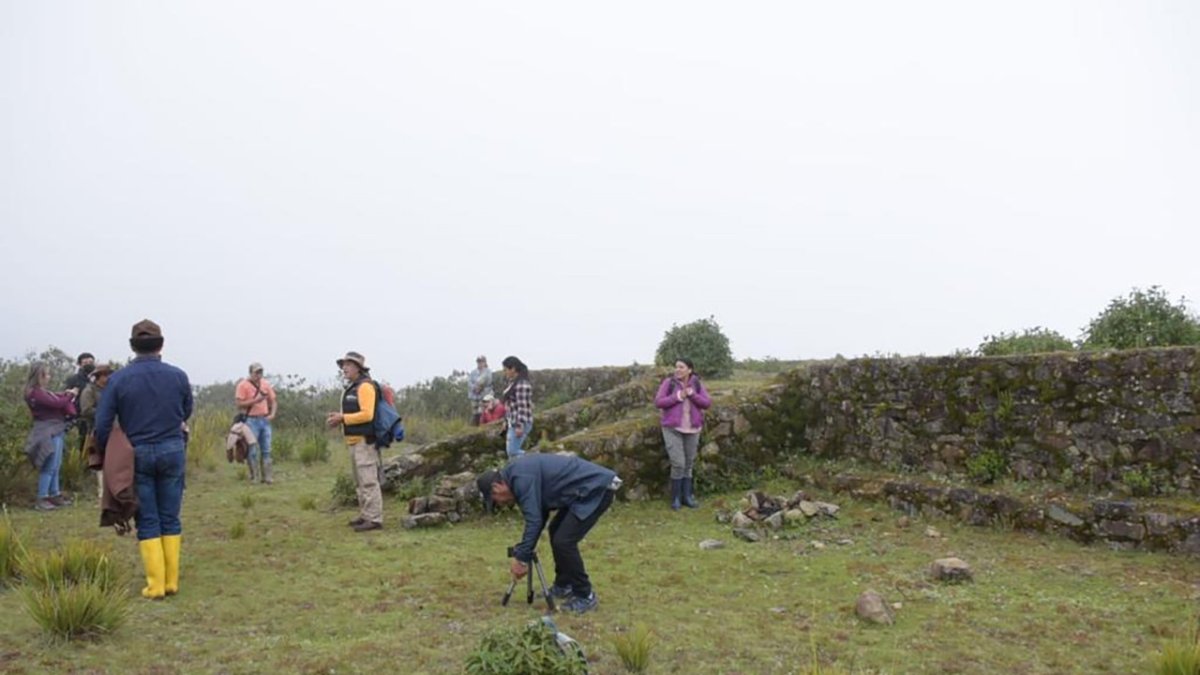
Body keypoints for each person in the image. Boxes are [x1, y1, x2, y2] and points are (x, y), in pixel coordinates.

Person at [94, 319, 193, 600]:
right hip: (172, 449)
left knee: (147, 517)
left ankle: (155, 585)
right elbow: (186, 410)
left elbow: (102, 423)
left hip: (136, 453)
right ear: (160, 345)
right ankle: (171, 582)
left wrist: (108, 451)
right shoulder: (178, 376)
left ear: (133, 347)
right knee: (170, 516)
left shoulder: (119, 379)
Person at [476, 454, 621, 614]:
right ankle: (563, 585)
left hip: (596, 488)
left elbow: (534, 520)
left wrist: (522, 559)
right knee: (555, 530)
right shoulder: (517, 476)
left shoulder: (521, 479)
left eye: (495, 499)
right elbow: (540, 515)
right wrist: (525, 551)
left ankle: (585, 596)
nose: (500, 503)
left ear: (497, 486)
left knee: (564, 541)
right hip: (580, 491)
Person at [325, 351, 383, 532]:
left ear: (358, 368)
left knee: (368, 480)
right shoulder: (352, 387)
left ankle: (374, 519)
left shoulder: (365, 387)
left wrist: (343, 418)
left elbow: (367, 414)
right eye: (343, 365)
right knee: (360, 481)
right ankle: (365, 515)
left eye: (348, 365)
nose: (344, 368)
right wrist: (340, 419)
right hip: (354, 440)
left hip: (365, 441)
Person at [654, 358, 712, 510]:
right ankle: (676, 498)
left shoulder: (697, 383)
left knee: (688, 464)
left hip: (693, 429)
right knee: (678, 463)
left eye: (681, 367)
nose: (677, 370)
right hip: (672, 428)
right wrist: (678, 396)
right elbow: (659, 402)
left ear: (689, 370)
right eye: (676, 367)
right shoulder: (669, 383)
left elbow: (707, 403)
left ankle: (687, 497)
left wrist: (692, 394)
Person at [23, 362, 78, 511]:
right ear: (40, 376)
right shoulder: (35, 393)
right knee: (49, 465)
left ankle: (54, 494)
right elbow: (57, 403)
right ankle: (42, 497)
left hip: (55, 429)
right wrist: (70, 395)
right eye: (46, 374)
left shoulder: (40, 392)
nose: (49, 376)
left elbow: (56, 398)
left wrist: (65, 394)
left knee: (55, 465)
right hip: (48, 430)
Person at [235, 362, 277, 484]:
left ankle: (267, 476)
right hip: (250, 420)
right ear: (251, 373)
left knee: (267, 449)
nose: (259, 375)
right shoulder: (243, 385)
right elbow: (239, 404)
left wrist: (272, 414)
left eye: (260, 372)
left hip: (264, 419)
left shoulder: (265, 384)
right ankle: (254, 476)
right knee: (252, 449)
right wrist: (255, 401)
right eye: (256, 372)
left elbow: (273, 400)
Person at [79, 364, 114, 500]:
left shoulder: (111, 389)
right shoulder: (89, 391)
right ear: (99, 377)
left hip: (113, 430)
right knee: (99, 461)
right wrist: (105, 412)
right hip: (96, 430)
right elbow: (86, 410)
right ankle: (102, 493)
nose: (108, 377)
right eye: (106, 375)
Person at [500, 356, 533, 458]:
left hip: (520, 422)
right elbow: (510, 405)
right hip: (513, 421)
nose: (505, 373)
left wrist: (520, 425)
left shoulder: (522, 384)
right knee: (511, 453)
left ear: (513, 369)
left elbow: (522, 406)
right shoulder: (513, 383)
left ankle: (533, 460)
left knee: (513, 452)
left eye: (506, 370)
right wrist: (506, 421)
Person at [65, 352, 95, 454]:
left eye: (91, 362)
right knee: (81, 444)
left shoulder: (98, 378)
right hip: (79, 417)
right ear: (79, 364)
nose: (88, 365)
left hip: (96, 416)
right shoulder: (73, 380)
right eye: (85, 363)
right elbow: (66, 398)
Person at [467, 356, 492, 426]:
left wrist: (480, 388)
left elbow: (489, 382)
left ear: (484, 362)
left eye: (481, 362)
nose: (480, 363)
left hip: (484, 394)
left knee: (482, 411)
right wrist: (474, 388)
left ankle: (482, 424)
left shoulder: (488, 371)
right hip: (474, 395)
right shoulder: (473, 372)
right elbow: (469, 382)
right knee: (474, 412)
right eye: (478, 362)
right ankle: (474, 425)